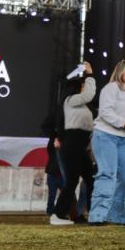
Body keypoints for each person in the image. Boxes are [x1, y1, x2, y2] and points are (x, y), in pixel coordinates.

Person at [88, 60, 125, 226]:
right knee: (107, 174)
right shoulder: (110, 88)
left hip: (124, 139)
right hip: (105, 135)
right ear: (120, 72)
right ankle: (97, 215)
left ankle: (117, 214)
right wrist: (124, 122)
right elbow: (105, 112)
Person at [51, 62, 96, 225]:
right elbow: (89, 94)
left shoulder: (80, 105)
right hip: (73, 143)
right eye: (83, 85)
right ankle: (58, 214)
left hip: (79, 145)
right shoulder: (71, 100)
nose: (85, 87)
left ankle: (94, 212)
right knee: (72, 181)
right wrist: (90, 75)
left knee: (91, 178)